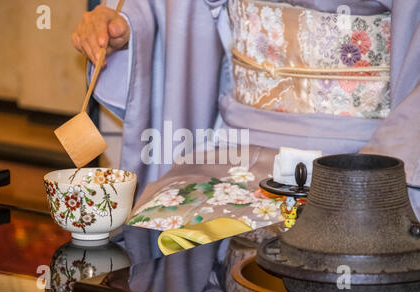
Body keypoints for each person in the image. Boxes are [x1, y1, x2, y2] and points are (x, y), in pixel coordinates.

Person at [72, 0, 420, 231]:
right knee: (158, 236)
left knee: (328, 253)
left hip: (357, 160)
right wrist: (127, 26)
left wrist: (376, 176)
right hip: (234, 149)